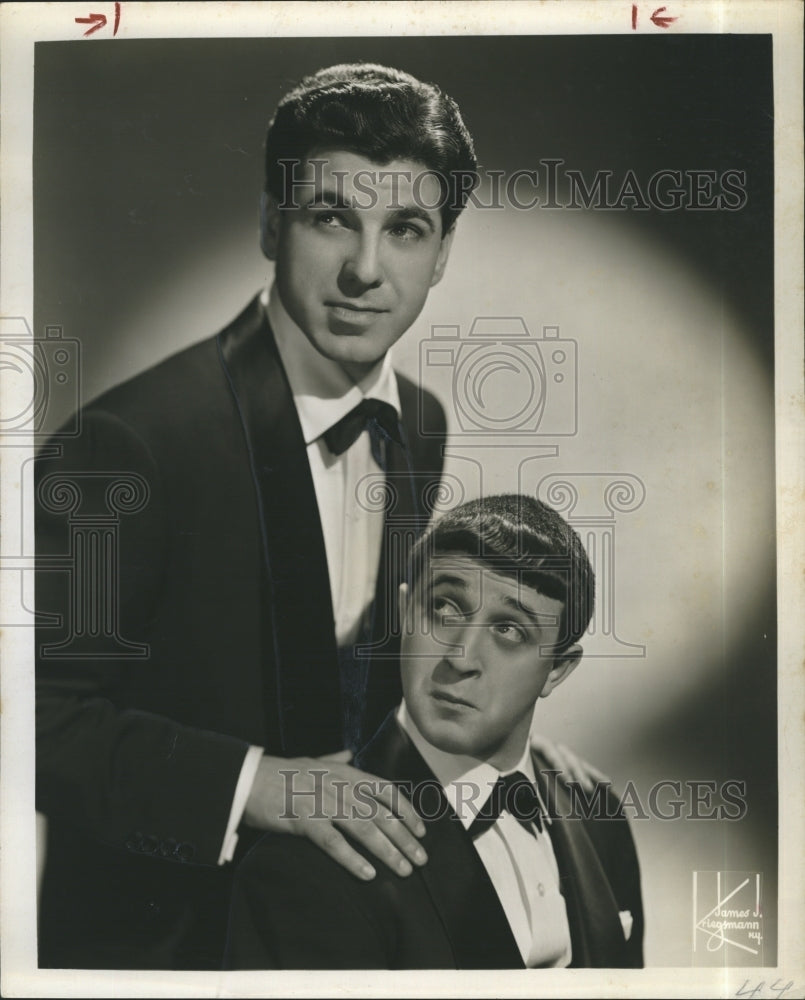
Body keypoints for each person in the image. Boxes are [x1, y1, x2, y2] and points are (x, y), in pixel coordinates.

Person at [34, 63, 598, 970]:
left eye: (404, 229)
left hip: (344, 942)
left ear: (443, 252)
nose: (365, 271)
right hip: (159, 951)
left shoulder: (418, 423)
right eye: (331, 216)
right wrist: (261, 787)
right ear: (269, 222)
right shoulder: (125, 445)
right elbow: (32, 724)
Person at [225, 494, 644, 969]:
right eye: (444, 609)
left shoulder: (596, 808)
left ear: (558, 670)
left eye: (509, 630)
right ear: (405, 611)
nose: (460, 657)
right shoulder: (306, 862)